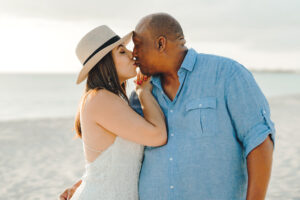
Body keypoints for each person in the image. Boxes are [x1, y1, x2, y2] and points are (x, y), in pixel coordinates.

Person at [61, 13, 275, 200]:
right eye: (124, 50)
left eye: (137, 45)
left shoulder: (227, 74)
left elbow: (259, 140)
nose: (133, 53)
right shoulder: (139, 95)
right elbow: (115, 153)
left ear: (161, 44)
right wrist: (86, 183)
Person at [60, 25, 167, 200]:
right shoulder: (101, 99)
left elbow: (106, 162)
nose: (132, 53)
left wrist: (79, 184)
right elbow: (158, 135)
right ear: (104, 63)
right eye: (122, 52)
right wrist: (143, 92)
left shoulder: (113, 98)